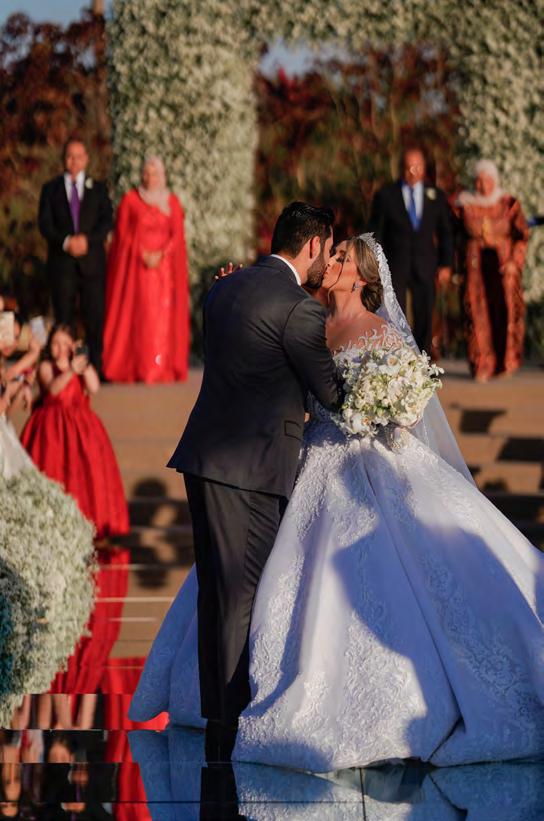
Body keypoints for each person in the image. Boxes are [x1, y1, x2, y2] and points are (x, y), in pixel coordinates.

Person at [130, 233, 544, 771]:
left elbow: (412, 409)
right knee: (248, 574)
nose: (333, 261)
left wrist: (382, 406)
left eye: (344, 257)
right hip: (306, 460)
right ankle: (228, 697)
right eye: (334, 253)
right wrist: (233, 291)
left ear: (362, 277)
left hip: (369, 465)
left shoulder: (384, 333)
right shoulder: (307, 321)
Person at [154, 203, 342, 763]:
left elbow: (243, 364)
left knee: (218, 593)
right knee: (241, 597)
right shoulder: (298, 308)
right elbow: (331, 393)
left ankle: (219, 715)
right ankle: (231, 722)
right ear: (312, 245)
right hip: (253, 470)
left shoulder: (223, 290)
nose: (327, 262)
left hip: (204, 459)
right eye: (327, 249)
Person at [20, 324, 129, 539]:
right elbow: (53, 389)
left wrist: (83, 363)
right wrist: (70, 370)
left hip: (81, 430)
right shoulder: (46, 367)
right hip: (50, 431)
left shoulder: (81, 366)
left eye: (65, 344)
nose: (60, 348)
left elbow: (94, 387)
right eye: (55, 343)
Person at [102, 156, 190, 383]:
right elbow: (121, 236)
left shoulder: (172, 202)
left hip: (164, 272)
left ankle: (161, 367)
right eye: (146, 173)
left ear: (162, 175)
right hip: (138, 270)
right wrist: (142, 253)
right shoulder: (130, 200)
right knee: (142, 317)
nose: (150, 178)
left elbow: (177, 236)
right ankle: (141, 366)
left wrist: (161, 254)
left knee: (162, 318)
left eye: (155, 173)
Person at [38, 138, 113, 376]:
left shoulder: (98, 189)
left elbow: (107, 221)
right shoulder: (51, 189)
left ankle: (94, 368)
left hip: (92, 265)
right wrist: (66, 241)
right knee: (64, 318)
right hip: (62, 266)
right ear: (64, 159)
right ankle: (65, 368)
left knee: (94, 317)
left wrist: (87, 241)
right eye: (70, 156)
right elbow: (45, 224)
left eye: (79, 156)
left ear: (86, 159)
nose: (74, 161)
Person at [368, 147, 453, 353]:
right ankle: (397, 356)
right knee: (395, 313)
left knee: (424, 313)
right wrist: (375, 263)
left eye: (417, 167)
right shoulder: (386, 195)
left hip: (425, 264)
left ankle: (423, 359)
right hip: (395, 264)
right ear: (401, 168)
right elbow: (376, 232)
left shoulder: (436, 196)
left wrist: (446, 263)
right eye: (408, 167)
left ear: (424, 168)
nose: (413, 172)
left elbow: (446, 232)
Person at [454, 159, 529, 381]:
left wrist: (515, 262)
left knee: (504, 311)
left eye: (488, 180)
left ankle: (506, 362)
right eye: (479, 180)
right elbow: (453, 236)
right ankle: (482, 363)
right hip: (475, 267)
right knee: (478, 314)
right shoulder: (463, 205)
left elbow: (521, 235)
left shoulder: (508, 203)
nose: (483, 185)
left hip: (503, 267)